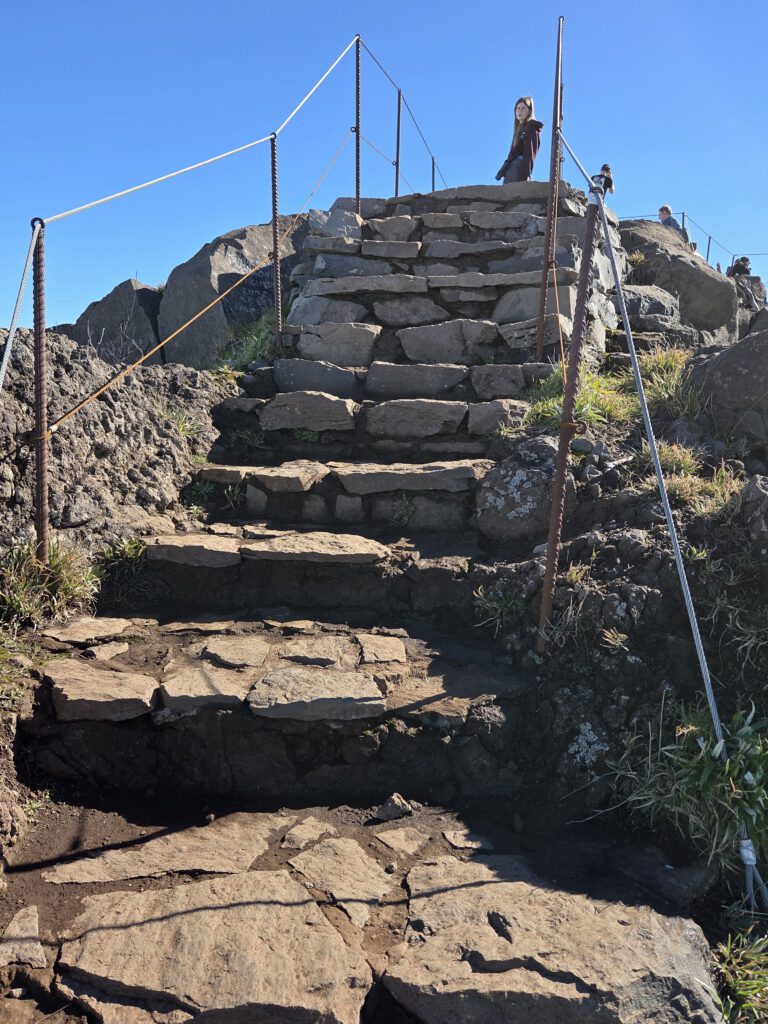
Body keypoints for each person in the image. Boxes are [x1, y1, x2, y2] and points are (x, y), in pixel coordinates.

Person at [496, 97, 543, 183]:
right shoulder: (517, 130)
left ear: (529, 111)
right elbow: (512, 154)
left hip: (520, 166)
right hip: (513, 166)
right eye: (518, 108)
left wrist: (526, 173)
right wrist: (503, 169)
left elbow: (530, 152)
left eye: (523, 108)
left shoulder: (531, 126)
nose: (520, 111)